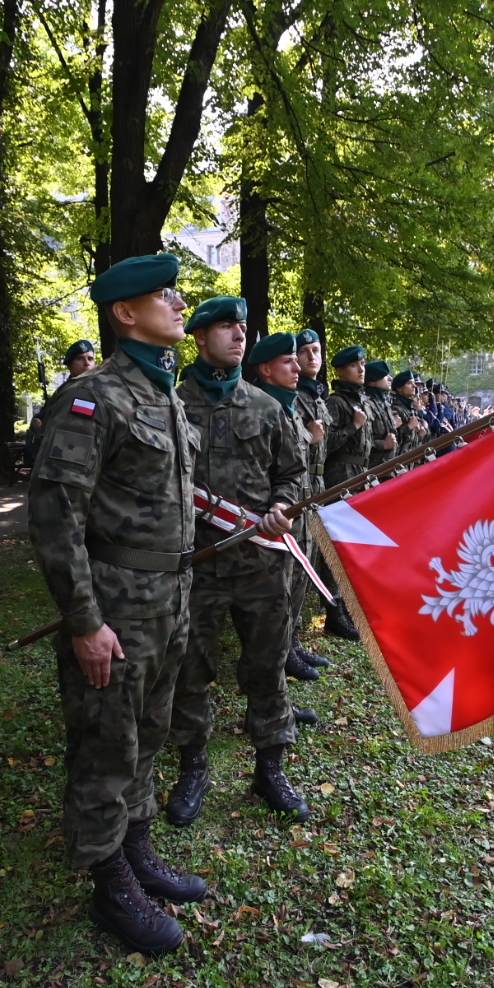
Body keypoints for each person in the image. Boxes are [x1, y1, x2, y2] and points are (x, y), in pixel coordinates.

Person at [28, 252, 205, 957]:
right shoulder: (94, 397)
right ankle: (109, 883)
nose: (180, 304)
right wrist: (84, 621)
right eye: (167, 296)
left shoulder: (165, 392)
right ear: (125, 312)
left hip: (170, 598)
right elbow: (54, 514)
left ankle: (136, 853)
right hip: (116, 605)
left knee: (149, 733)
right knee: (106, 744)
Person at [164, 307, 311, 830]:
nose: (239, 335)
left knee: (266, 670)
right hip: (197, 568)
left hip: (260, 567)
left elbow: (293, 474)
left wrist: (282, 505)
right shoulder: (172, 405)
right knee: (191, 673)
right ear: (199, 336)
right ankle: (193, 768)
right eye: (227, 327)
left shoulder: (268, 407)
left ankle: (269, 769)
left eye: (243, 328)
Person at [285, 329, 331, 681]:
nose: (313, 357)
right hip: (298, 486)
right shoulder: (291, 397)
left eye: (317, 351)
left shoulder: (317, 397)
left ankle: (295, 639)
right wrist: (309, 437)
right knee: (295, 564)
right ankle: (285, 645)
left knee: (307, 562)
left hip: (317, 485)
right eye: (306, 352)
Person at [320, 346, 371, 639]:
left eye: (362, 364)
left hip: (357, 477)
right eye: (354, 365)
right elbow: (326, 445)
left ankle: (349, 605)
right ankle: (334, 611)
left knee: (352, 544)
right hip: (339, 477)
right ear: (340, 371)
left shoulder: (358, 399)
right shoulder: (337, 403)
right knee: (336, 546)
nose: (361, 369)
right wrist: (353, 426)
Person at [362, 360, 400, 467]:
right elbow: (358, 442)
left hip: (387, 467)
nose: (390, 378)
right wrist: (383, 444)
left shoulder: (385, 405)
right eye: (384, 375)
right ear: (372, 381)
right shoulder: (366, 404)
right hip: (372, 469)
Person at [390, 371, 430, 453]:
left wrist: (420, 433)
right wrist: (409, 427)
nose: (414, 386)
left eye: (414, 383)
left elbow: (413, 441)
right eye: (409, 383)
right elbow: (393, 439)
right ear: (399, 388)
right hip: (400, 460)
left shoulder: (410, 408)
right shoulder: (396, 409)